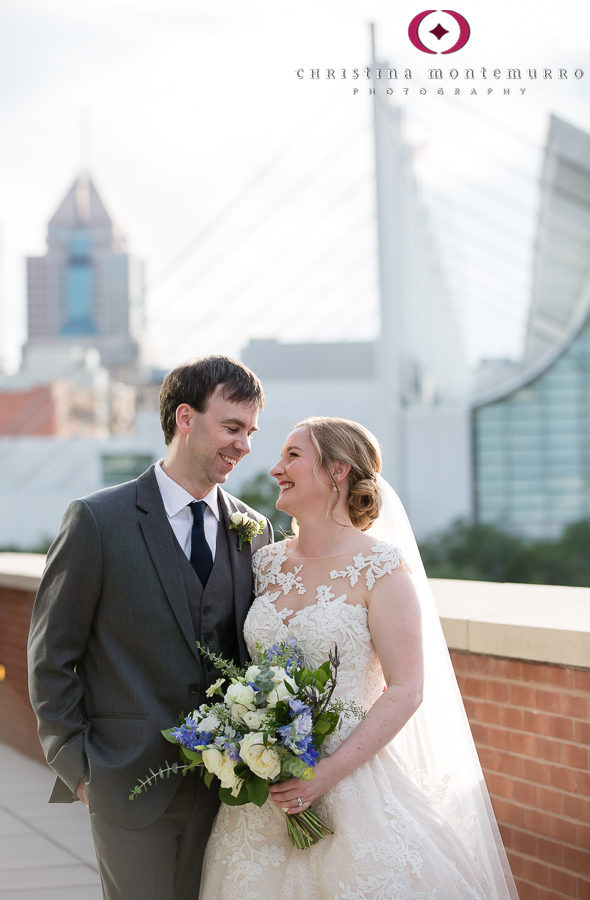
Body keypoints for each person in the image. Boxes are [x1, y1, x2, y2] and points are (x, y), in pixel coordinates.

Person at [199, 416, 518, 899]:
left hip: (350, 782)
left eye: (292, 456)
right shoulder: (262, 562)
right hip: (263, 788)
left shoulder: (382, 568)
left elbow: (407, 690)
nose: (274, 469)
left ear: (338, 471)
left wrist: (323, 775)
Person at [28, 355, 273, 900]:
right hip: (126, 782)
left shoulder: (254, 532)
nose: (245, 445)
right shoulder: (97, 521)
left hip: (226, 790)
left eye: (251, 432)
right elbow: (51, 656)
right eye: (233, 427)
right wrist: (80, 769)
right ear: (185, 418)